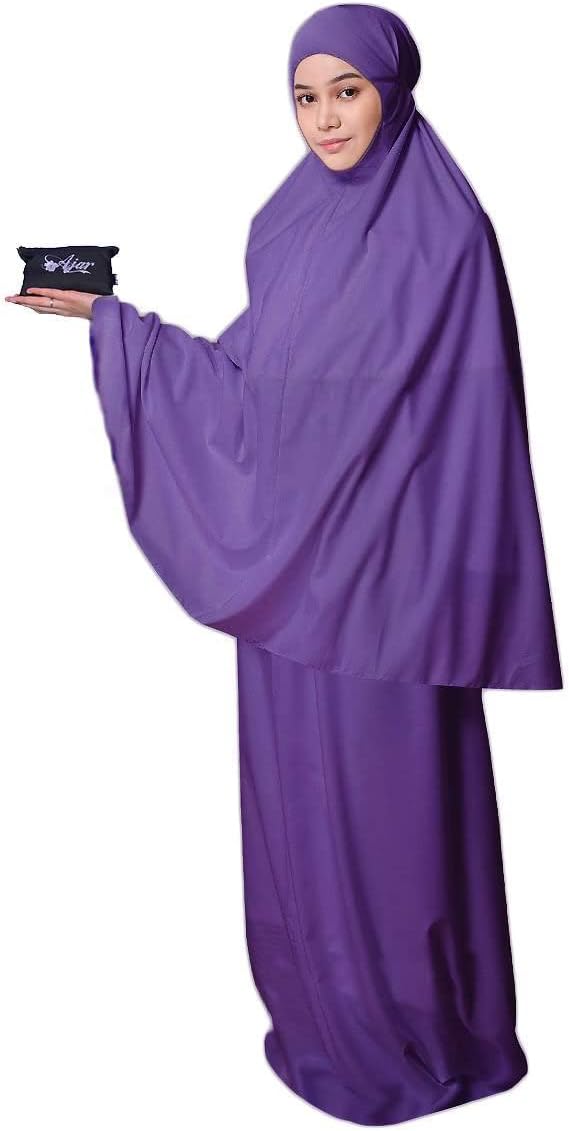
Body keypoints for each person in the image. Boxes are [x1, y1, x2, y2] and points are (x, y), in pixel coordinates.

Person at [6, 4, 563, 1125]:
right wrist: (116, 325)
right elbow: (254, 386)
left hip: (394, 591)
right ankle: (325, 1018)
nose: (325, 119)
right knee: (298, 806)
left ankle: (429, 1034)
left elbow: (446, 423)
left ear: (393, 88)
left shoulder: (445, 234)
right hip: (295, 578)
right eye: (304, 97)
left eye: (346, 90)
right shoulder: (286, 222)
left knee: (399, 814)